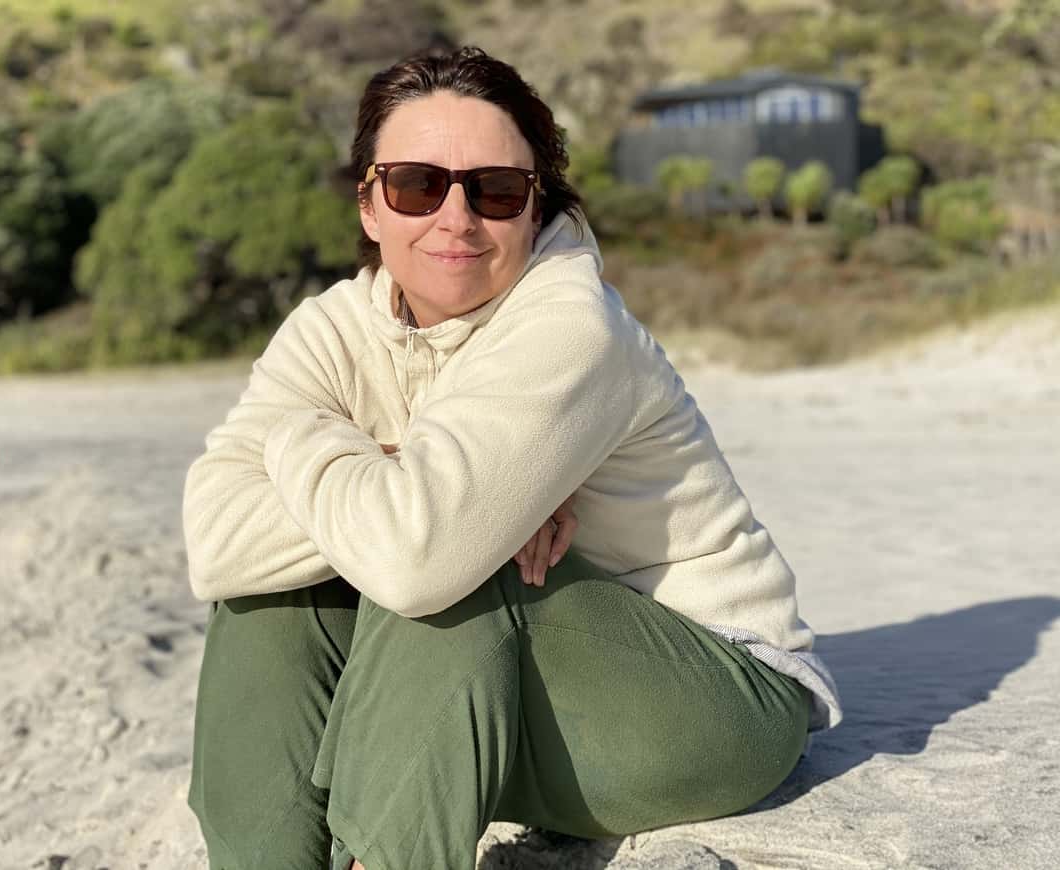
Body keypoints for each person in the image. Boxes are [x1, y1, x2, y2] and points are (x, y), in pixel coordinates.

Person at [182, 46, 841, 870]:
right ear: (370, 207)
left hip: (708, 697)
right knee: (267, 599)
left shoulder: (570, 324)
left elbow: (422, 559)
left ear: (535, 209)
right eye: (416, 185)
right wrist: (400, 472)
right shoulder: (331, 329)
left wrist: (296, 441)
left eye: (495, 191)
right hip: (521, 704)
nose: (456, 218)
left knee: (456, 571)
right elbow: (214, 543)